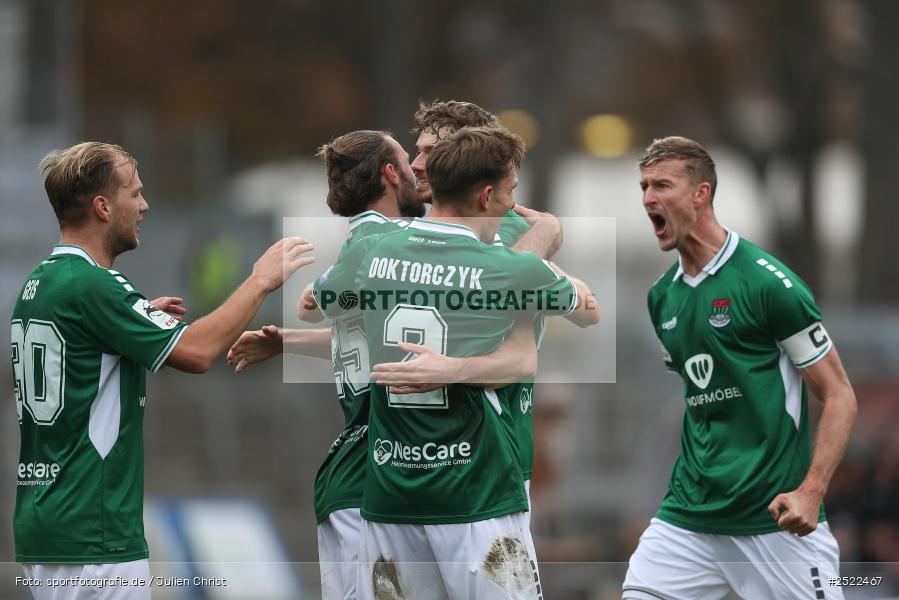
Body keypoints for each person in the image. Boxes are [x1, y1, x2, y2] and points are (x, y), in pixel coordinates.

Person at [228, 129, 537, 600]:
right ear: (391, 174)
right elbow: (498, 249)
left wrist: (292, 338)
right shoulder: (416, 246)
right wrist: (545, 227)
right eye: (409, 159)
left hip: (354, 475)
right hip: (394, 474)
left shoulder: (359, 251)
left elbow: (325, 308)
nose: (419, 168)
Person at [10, 142, 313, 600]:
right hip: (94, 531)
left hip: (47, 523)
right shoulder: (94, 285)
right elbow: (196, 352)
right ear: (102, 207)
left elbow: (79, 355)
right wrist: (261, 280)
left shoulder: (41, 282)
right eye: (135, 193)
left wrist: (132, 323)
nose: (144, 205)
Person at [353, 126, 599, 600]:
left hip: (391, 489)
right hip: (474, 489)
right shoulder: (510, 268)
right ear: (487, 195)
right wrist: (545, 235)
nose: (512, 204)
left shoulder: (376, 251)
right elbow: (588, 307)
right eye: (510, 191)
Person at [622, 136, 857, 600]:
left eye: (662, 185)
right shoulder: (661, 297)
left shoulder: (770, 285)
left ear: (700, 194)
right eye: (644, 186)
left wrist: (810, 492)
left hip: (772, 518)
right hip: (689, 515)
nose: (648, 197)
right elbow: (702, 401)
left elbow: (840, 395)